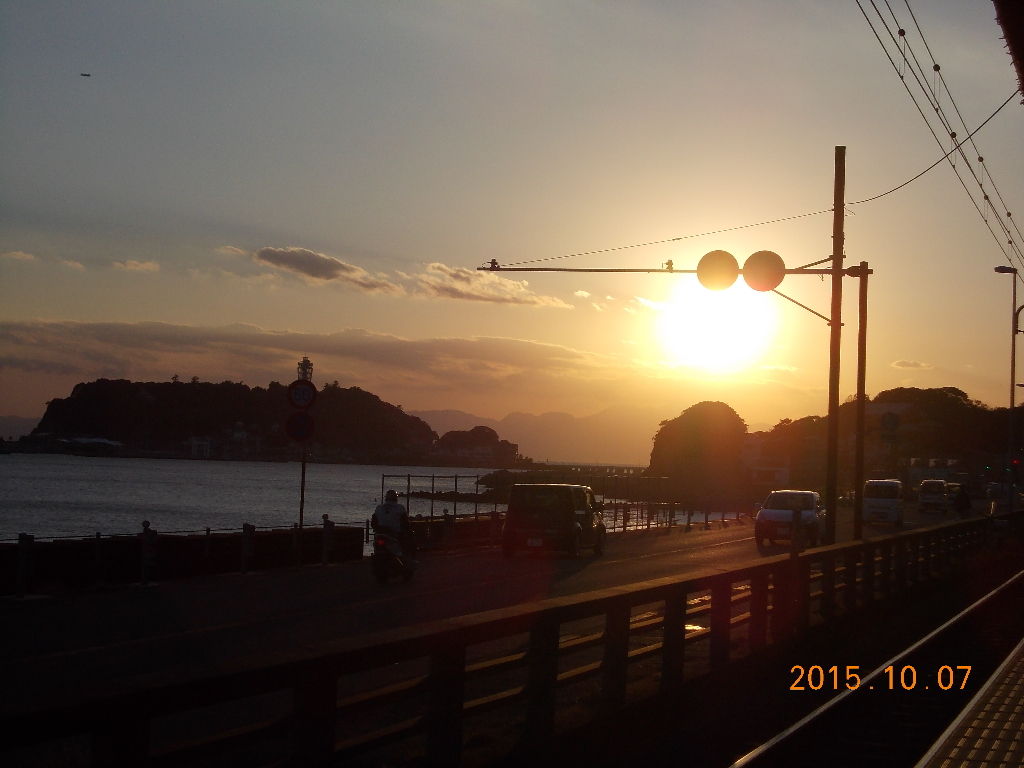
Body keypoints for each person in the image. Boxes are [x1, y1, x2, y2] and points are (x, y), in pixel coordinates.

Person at [372, 490, 411, 557]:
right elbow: (405, 522)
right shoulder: (400, 508)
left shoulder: (379, 508)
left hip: (380, 533)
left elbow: (373, 522)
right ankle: (406, 558)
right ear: (396, 498)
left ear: (386, 498)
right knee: (407, 541)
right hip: (394, 534)